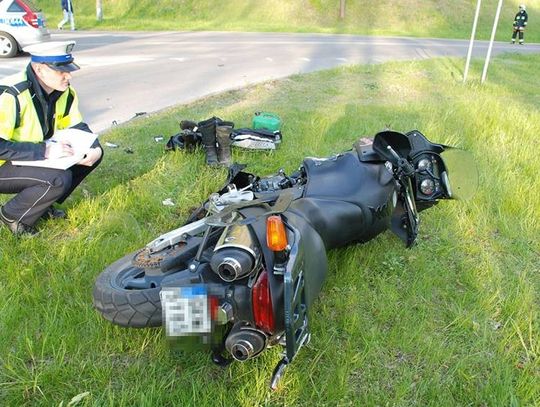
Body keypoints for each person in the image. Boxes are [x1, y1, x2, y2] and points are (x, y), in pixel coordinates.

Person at [0, 41, 102, 236]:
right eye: (61, 71)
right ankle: (13, 214)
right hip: (3, 163)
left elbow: (77, 125)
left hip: (25, 156)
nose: (68, 76)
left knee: (92, 155)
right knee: (58, 179)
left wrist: (95, 147)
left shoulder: (64, 92)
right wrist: (44, 151)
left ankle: (41, 205)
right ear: (39, 69)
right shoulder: (11, 95)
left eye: (69, 69)